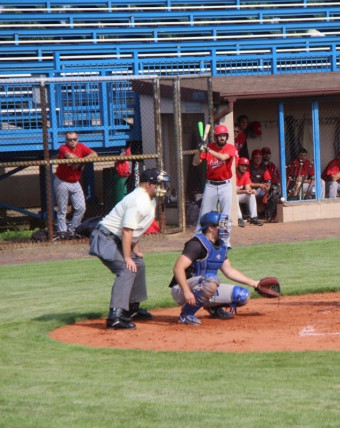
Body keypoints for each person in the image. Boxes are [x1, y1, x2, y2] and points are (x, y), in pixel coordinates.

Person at [89, 168, 170, 329]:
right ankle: (115, 316)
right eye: (158, 184)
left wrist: (135, 250)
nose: (162, 187)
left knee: (138, 264)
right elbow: (127, 230)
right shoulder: (139, 200)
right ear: (148, 185)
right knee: (126, 269)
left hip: (115, 239)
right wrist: (127, 257)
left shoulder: (149, 199)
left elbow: (136, 229)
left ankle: (132, 309)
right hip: (105, 238)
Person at [169, 211, 265, 325]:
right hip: (182, 289)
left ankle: (214, 308)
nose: (226, 228)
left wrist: (254, 283)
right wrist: (186, 291)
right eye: (222, 225)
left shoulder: (222, 246)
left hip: (205, 286)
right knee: (212, 280)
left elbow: (229, 271)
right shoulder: (196, 244)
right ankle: (185, 315)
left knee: (242, 295)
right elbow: (178, 268)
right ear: (211, 228)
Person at [193, 124, 238, 245]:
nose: (222, 138)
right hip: (211, 185)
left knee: (225, 216)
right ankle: (198, 241)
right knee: (204, 214)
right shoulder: (209, 147)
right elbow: (195, 162)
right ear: (216, 137)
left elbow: (223, 157)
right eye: (220, 136)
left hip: (225, 185)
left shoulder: (230, 148)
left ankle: (225, 242)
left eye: (224, 135)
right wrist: (199, 150)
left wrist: (207, 149)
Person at [54, 131, 98, 234]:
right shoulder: (63, 148)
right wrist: (81, 161)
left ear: (77, 140)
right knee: (62, 209)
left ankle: (73, 229)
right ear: (66, 141)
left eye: (74, 139)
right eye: (69, 140)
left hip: (75, 182)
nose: (72, 142)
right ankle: (62, 232)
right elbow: (70, 156)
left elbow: (95, 154)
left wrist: (80, 161)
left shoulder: (81, 147)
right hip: (62, 182)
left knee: (81, 207)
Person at [235, 157, 263, 227]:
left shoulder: (246, 174)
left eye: (245, 166)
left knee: (252, 195)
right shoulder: (233, 174)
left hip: (240, 194)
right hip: (231, 197)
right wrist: (245, 191)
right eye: (242, 165)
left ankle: (253, 218)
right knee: (234, 197)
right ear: (238, 165)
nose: (244, 168)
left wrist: (250, 191)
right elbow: (232, 192)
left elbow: (247, 186)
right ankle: (239, 219)